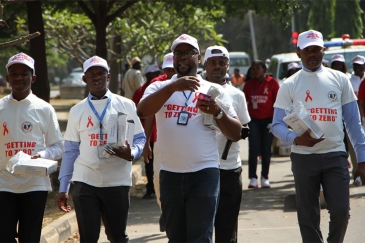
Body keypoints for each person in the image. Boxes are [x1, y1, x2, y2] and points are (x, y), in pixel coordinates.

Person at [137, 34, 242, 242]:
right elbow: (142, 111)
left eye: (188, 53)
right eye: (178, 53)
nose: (182, 57)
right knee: (176, 237)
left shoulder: (214, 91)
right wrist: (173, 87)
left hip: (204, 174)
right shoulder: (159, 88)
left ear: (199, 58)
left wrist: (218, 111)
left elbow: (236, 133)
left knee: (201, 238)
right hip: (169, 174)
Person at [271, 30, 365, 243]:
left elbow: (353, 123)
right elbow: (276, 125)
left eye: (316, 50)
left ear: (324, 51)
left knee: (341, 212)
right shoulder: (289, 84)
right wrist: (295, 139)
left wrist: (362, 159)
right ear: (298, 52)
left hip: (335, 156)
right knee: (308, 216)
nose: (312, 54)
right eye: (307, 50)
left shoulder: (340, 79)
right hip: (304, 157)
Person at [57, 56, 146, 242]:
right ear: (84, 79)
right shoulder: (77, 111)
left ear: (108, 76)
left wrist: (132, 153)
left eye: (100, 73)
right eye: (91, 74)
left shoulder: (126, 105)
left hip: (117, 182)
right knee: (88, 237)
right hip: (85, 182)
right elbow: (71, 150)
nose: (96, 77)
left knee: (117, 237)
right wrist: (64, 187)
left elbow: (140, 137)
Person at [0, 53, 64, 242]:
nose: (19, 77)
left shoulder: (44, 108)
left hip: (35, 185)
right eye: (14, 73)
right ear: (7, 78)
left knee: (30, 237)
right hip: (4, 184)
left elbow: (59, 146)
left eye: (24, 73)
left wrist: (42, 154)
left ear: (33, 77)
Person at [203, 45, 251, 243]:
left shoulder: (237, 95)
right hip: (200, 170)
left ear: (228, 65)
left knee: (227, 230)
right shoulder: (193, 90)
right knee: (200, 229)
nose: (217, 66)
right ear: (204, 64)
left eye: (222, 63)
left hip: (229, 169)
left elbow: (244, 130)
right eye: (212, 62)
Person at [142, 53, 176, 231]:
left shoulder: (190, 85)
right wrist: (146, 142)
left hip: (181, 146)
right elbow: (148, 114)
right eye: (168, 70)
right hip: (159, 143)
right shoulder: (157, 86)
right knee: (158, 180)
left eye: (174, 69)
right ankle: (165, 210)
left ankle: (172, 214)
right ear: (163, 70)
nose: (171, 73)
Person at [243, 60, 280, 188]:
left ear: (264, 70)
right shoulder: (248, 85)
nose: (254, 71)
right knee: (253, 149)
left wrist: (276, 121)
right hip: (253, 120)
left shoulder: (273, 83)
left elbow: (278, 103)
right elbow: (243, 103)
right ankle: (253, 178)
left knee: (266, 149)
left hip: (268, 120)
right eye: (252, 68)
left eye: (257, 68)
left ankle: (265, 177)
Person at [132, 64, 161, 199]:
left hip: (162, 135)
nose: (155, 76)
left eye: (157, 73)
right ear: (147, 76)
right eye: (152, 74)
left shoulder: (165, 89)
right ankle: (150, 188)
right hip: (148, 134)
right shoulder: (140, 92)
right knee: (149, 163)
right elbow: (135, 113)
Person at [331, 54, 358, 176]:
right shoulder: (328, 78)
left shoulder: (348, 79)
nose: (338, 66)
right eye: (335, 64)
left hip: (347, 115)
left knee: (351, 143)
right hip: (334, 117)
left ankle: (357, 169)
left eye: (340, 64)